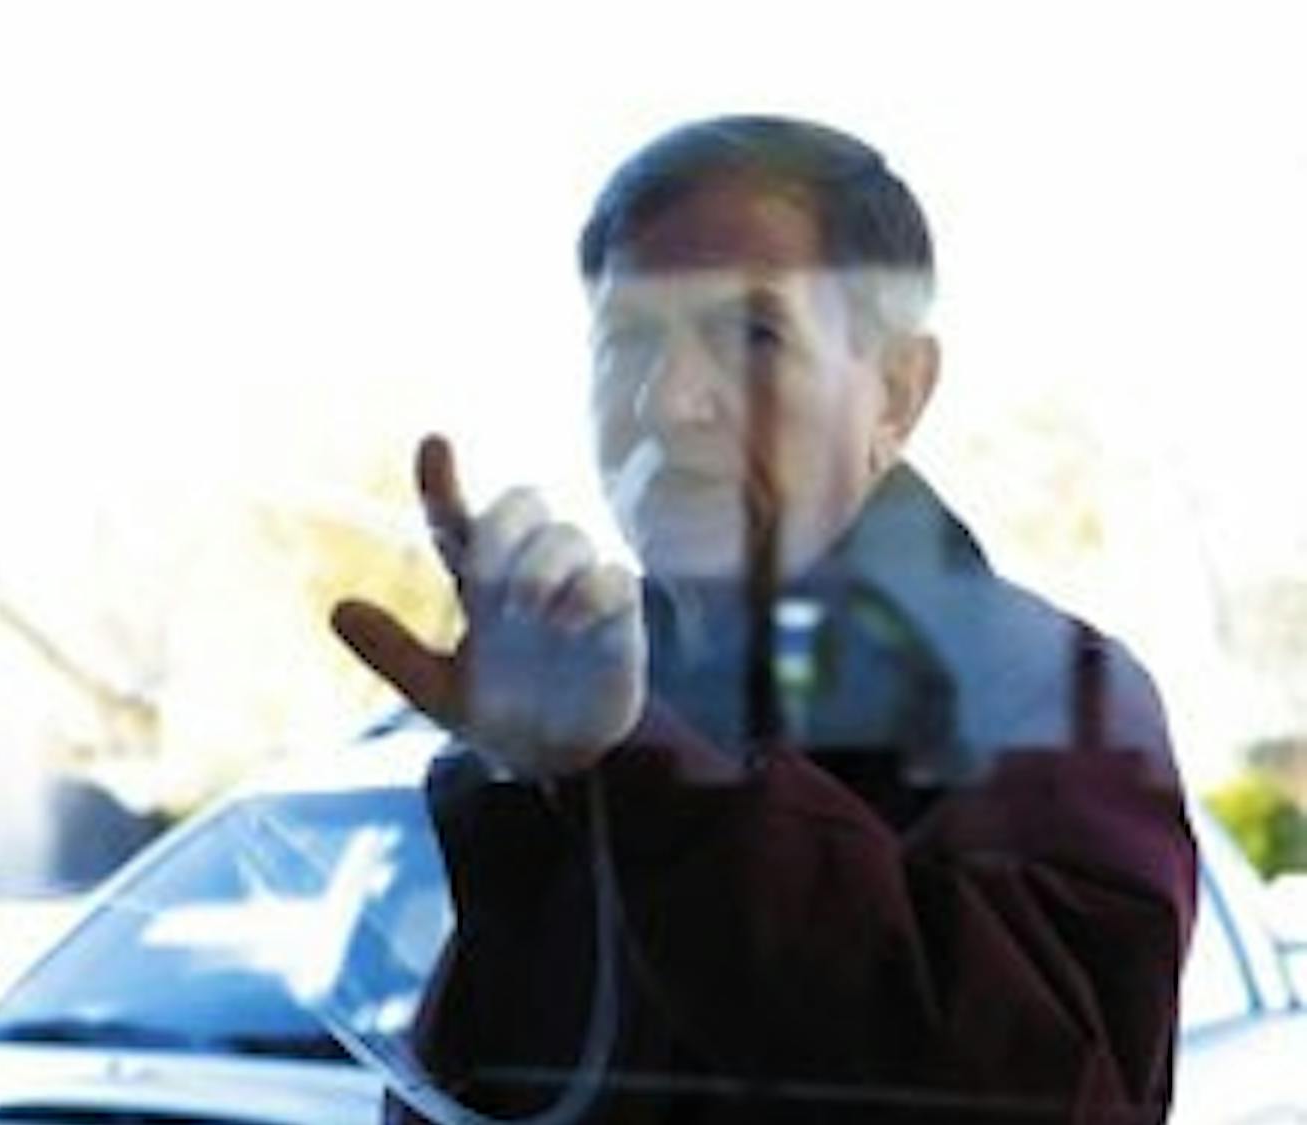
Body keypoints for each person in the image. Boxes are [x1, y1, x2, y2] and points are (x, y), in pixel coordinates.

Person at [332, 115, 1196, 1124]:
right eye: (628, 342)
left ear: (899, 394)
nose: (669, 399)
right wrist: (525, 791)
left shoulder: (1049, 693)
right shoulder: (585, 693)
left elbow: (1049, 1099)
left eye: (753, 335)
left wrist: (640, 772)